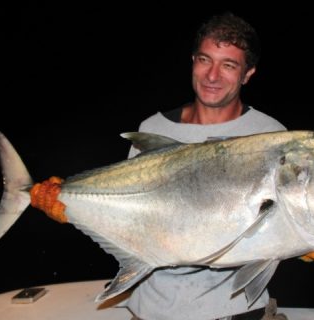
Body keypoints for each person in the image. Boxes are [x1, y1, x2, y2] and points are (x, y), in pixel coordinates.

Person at [122, 12, 287, 320]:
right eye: (204, 60)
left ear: (247, 73)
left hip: (238, 310)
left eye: (228, 65)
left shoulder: (271, 136)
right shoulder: (153, 131)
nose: (212, 76)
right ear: (193, 61)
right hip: (152, 311)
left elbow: (280, 221)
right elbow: (131, 219)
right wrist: (68, 204)